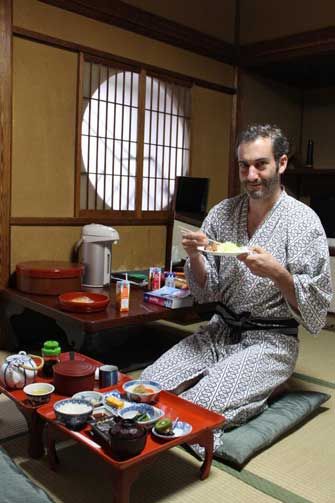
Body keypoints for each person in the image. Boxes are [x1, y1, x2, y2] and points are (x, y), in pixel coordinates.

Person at [142, 124, 332, 449]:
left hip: (270, 340)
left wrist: (278, 274)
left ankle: (266, 387)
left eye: (261, 164)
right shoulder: (222, 213)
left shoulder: (303, 222)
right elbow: (207, 292)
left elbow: (315, 310)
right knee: (147, 387)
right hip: (219, 330)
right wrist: (195, 255)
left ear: (281, 164)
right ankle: (245, 381)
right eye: (244, 165)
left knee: (196, 408)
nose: (251, 174)